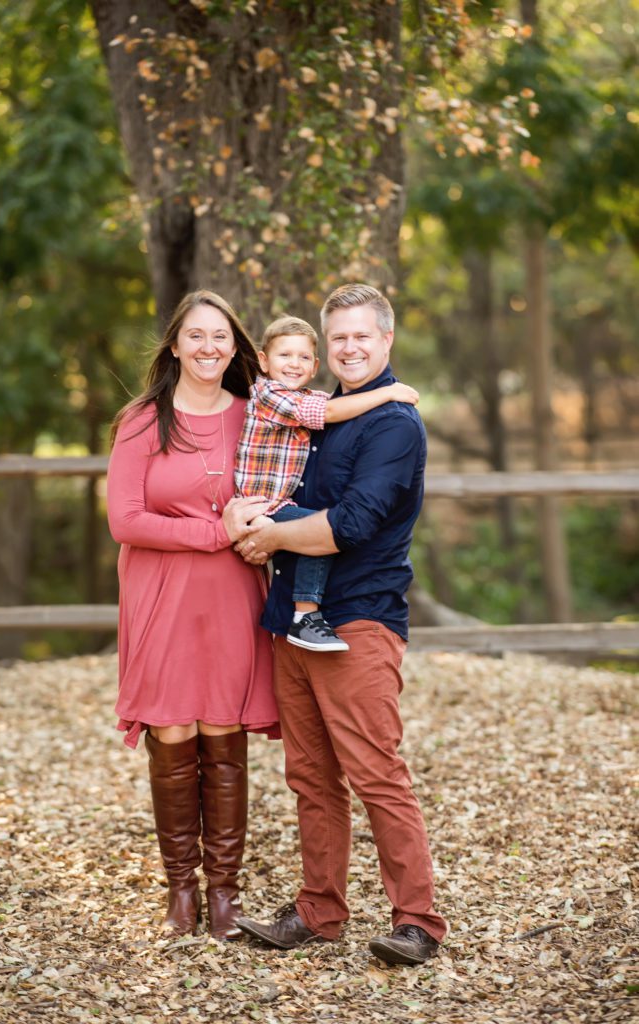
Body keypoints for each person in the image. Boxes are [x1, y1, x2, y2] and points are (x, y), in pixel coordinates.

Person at [235, 284, 448, 965]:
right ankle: (318, 911)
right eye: (340, 338)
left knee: (375, 772)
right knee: (310, 775)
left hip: (356, 620)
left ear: (386, 340)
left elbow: (352, 525)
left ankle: (417, 922)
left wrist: (269, 536)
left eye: (363, 336)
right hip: (290, 617)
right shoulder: (318, 414)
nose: (350, 347)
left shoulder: (394, 425)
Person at [106, 289, 280, 942]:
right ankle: (181, 893)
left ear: (236, 348)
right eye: (196, 336)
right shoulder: (142, 421)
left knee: (223, 730)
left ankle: (225, 896)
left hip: (232, 596)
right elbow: (124, 520)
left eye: (221, 337)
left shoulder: (255, 417)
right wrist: (212, 533)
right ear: (175, 345)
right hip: (159, 596)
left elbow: (281, 488)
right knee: (173, 732)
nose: (209, 348)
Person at [234, 314, 419, 653]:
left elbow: (347, 525)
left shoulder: (391, 424)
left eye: (303, 357)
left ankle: (305, 612)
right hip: (263, 504)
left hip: (362, 610)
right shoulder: (270, 394)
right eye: (284, 355)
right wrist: (388, 392)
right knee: (313, 524)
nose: (294, 364)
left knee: (320, 527)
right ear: (263, 360)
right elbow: (329, 413)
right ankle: (306, 614)